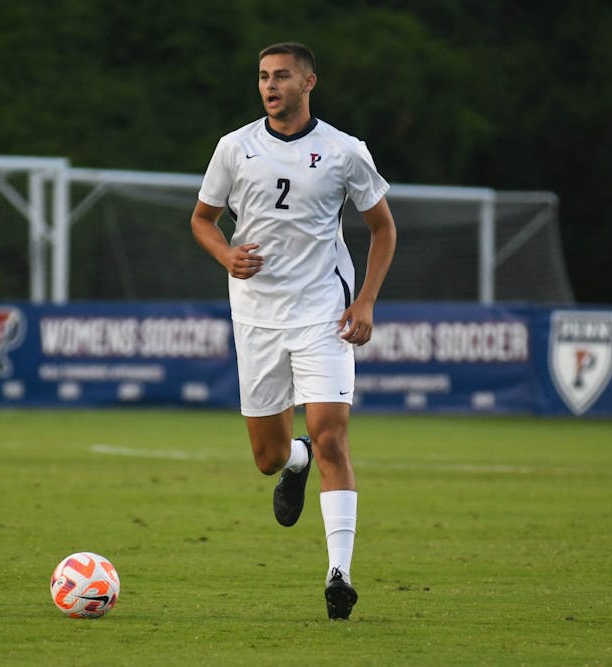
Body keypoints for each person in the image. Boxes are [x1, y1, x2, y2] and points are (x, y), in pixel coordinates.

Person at [190, 41, 396, 620]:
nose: (269, 86)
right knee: (267, 457)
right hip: (256, 315)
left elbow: (383, 230)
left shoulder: (344, 152)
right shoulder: (234, 148)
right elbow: (202, 221)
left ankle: (339, 574)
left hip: (322, 313)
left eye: (281, 76)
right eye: (262, 77)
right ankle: (294, 462)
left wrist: (366, 302)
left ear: (309, 82)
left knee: (332, 435)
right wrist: (225, 255)